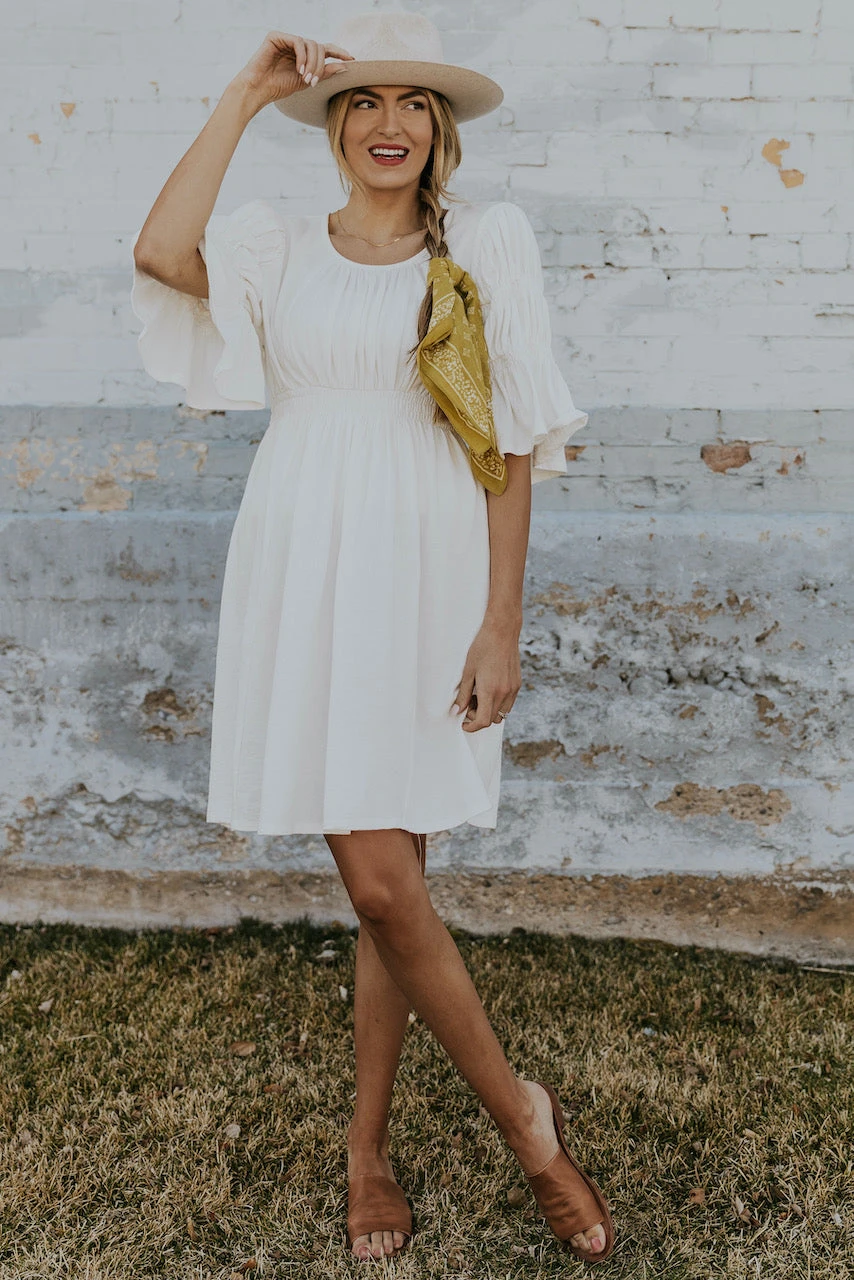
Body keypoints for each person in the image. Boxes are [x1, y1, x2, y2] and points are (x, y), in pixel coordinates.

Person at [131, 10, 613, 1266]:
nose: (387, 123)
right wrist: (245, 93)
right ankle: (526, 1126)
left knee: (390, 880)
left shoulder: (481, 249)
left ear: (438, 129)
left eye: (411, 104)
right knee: (383, 881)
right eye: (361, 102)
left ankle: (368, 1146)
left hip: (428, 578)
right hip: (304, 572)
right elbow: (159, 250)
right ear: (333, 127)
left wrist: (500, 621)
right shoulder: (276, 247)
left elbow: (509, 444)